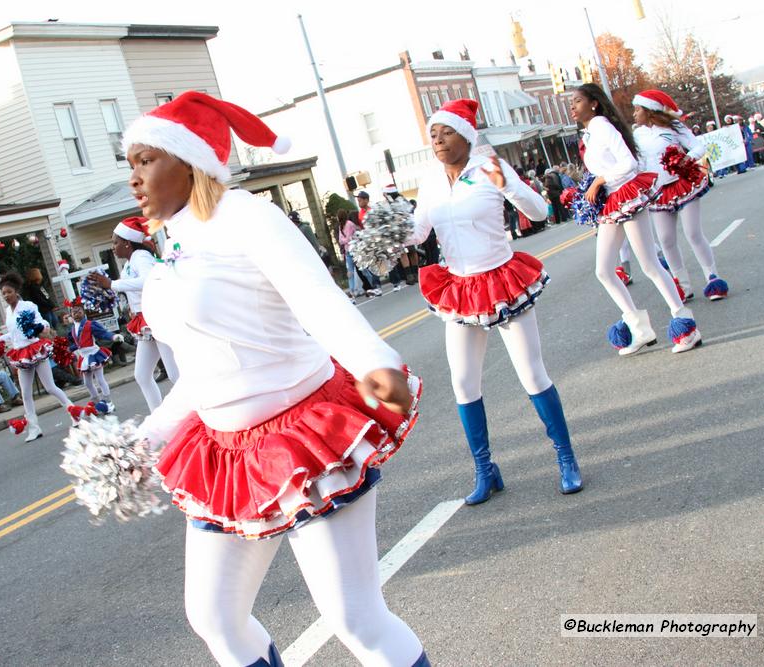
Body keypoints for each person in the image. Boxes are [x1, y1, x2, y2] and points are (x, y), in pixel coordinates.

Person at [122, 90, 430, 667]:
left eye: (146, 160)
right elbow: (203, 369)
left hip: (303, 439)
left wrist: (372, 361)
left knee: (355, 619)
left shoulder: (245, 215)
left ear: (188, 161)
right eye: (130, 165)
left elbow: (316, 298)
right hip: (224, 453)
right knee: (213, 617)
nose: (134, 178)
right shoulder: (175, 239)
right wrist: (146, 438)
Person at [408, 99, 582, 504]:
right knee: (463, 382)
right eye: (433, 134)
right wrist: (383, 236)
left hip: (502, 280)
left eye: (446, 132)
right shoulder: (431, 181)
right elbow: (417, 233)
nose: (438, 141)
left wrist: (510, 185)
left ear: (466, 136)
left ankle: (566, 458)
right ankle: (486, 471)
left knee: (531, 374)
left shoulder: (490, 169)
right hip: (459, 287)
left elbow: (539, 212)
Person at [571, 83, 701, 355]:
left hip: (627, 197)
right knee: (604, 270)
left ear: (594, 103)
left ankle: (686, 324)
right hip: (611, 203)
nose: (572, 106)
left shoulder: (602, 126)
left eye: (578, 101)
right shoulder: (590, 133)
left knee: (650, 265)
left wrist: (601, 180)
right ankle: (638, 328)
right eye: (571, 102)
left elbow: (628, 163)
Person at [632, 90, 728, 303]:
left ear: (650, 111)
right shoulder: (637, 135)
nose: (634, 113)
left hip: (682, 184)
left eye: (638, 109)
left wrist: (686, 159)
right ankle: (682, 285)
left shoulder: (673, 127)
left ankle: (712, 277)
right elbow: (638, 164)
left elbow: (698, 146)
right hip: (658, 191)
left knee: (693, 233)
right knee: (666, 240)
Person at [87, 217, 179, 413]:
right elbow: (134, 288)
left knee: (174, 373)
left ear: (127, 243)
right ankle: (159, 418)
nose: (113, 247)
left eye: (116, 242)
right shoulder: (130, 262)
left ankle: (198, 412)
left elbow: (148, 280)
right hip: (143, 320)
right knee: (142, 375)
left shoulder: (141, 257)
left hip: (155, 317)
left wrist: (111, 284)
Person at [0, 271, 74, 442]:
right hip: (20, 353)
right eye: (3, 293)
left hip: (35, 349)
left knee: (50, 387)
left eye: (9, 292)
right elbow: (14, 333)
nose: (6, 296)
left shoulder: (28, 306)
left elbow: (43, 323)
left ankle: (73, 411)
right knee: (25, 393)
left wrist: (40, 327)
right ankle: (34, 427)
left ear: (16, 291)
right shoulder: (8, 311)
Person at [65, 298, 122, 411]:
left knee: (100, 379)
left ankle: (107, 400)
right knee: (87, 382)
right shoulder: (72, 328)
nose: (76, 314)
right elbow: (78, 343)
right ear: (71, 314)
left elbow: (103, 333)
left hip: (94, 354)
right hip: (83, 356)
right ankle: (95, 400)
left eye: (79, 311)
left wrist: (113, 336)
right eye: (74, 312)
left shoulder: (90, 324)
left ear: (84, 312)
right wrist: (69, 349)